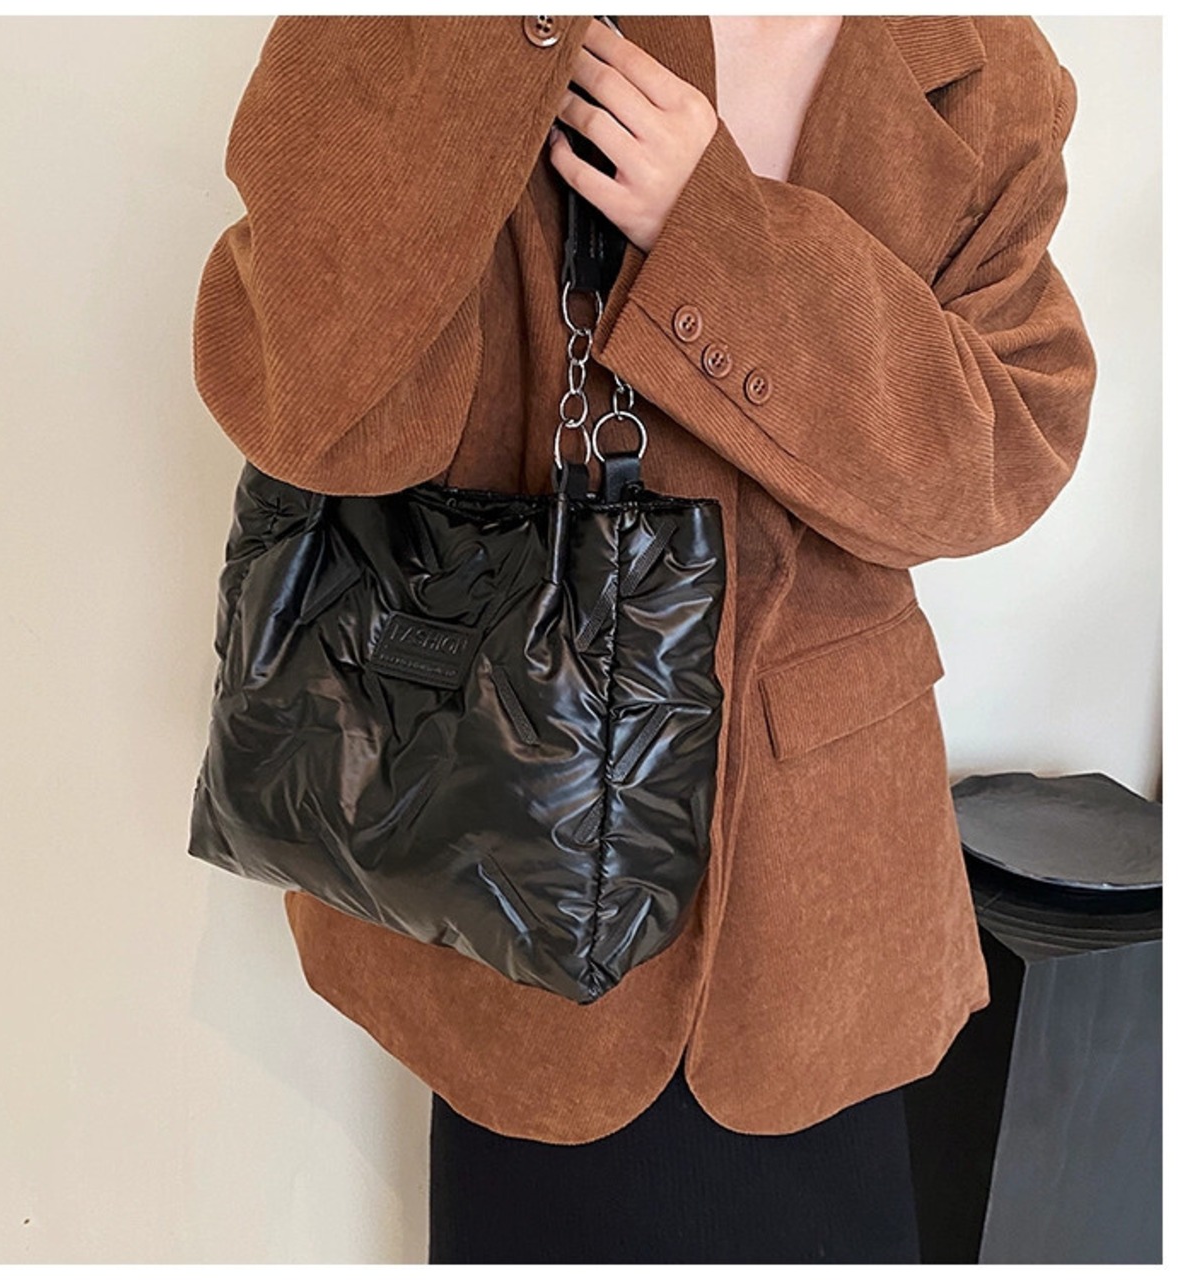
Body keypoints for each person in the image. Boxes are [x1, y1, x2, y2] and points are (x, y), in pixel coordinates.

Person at [192, 15, 1097, 1264]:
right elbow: (309, 402)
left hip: (814, 904)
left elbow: (999, 452)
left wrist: (712, 232)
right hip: (508, 849)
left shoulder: (978, 63)